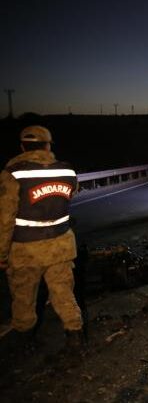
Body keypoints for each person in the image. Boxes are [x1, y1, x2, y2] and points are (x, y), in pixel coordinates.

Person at [0, 125, 84, 351]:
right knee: (64, 292)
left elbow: (5, 218)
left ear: (22, 146)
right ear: (48, 145)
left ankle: (26, 341)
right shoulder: (67, 171)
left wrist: (2, 253)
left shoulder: (13, 173)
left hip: (25, 251)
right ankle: (75, 335)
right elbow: (70, 194)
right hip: (61, 246)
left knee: (24, 297)